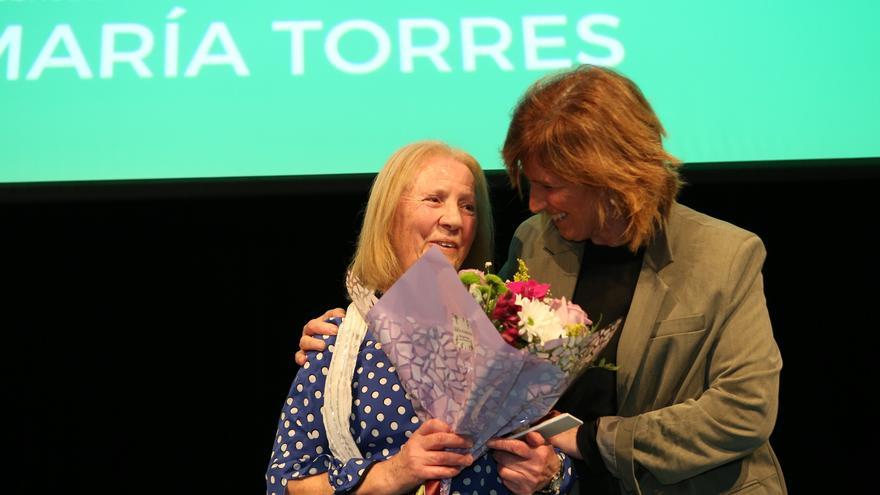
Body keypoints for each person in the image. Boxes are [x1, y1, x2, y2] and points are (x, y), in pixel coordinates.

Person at [296, 66, 786, 494]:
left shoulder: (725, 256)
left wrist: (593, 441)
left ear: (609, 177)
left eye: (550, 186)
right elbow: (479, 364)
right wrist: (350, 334)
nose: (533, 203)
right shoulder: (534, 242)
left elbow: (743, 411)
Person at [267, 141, 576, 495]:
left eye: (468, 206)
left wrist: (551, 473)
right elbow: (285, 483)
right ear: (389, 213)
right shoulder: (338, 342)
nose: (454, 220)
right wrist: (394, 473)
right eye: (434, 200)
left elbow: (554, 451)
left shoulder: (507, 331)